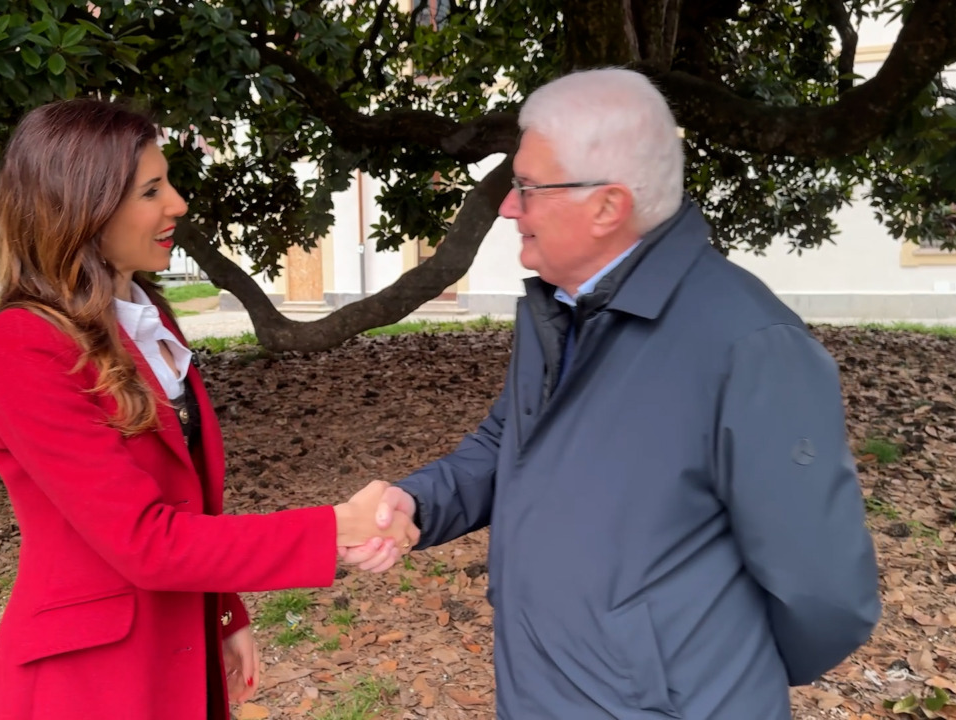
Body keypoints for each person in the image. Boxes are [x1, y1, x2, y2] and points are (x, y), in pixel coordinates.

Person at [342, 68, 881, 719]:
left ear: (607, 207)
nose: (508, 207)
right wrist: (417, 500)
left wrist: (712, 674)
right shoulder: (566, 309)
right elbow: (506, 445)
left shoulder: (751, 345)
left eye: (527, 188)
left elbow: (826, 591)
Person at [0, 98, 417, 720]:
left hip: (177, 646)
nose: (178, 204)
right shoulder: (21, 344)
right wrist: (337, 526)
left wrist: (224, 611)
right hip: (89, 681)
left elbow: (186, 501)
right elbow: (144, 539)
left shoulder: (147, 317)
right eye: (151, 190)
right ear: (83, 207)